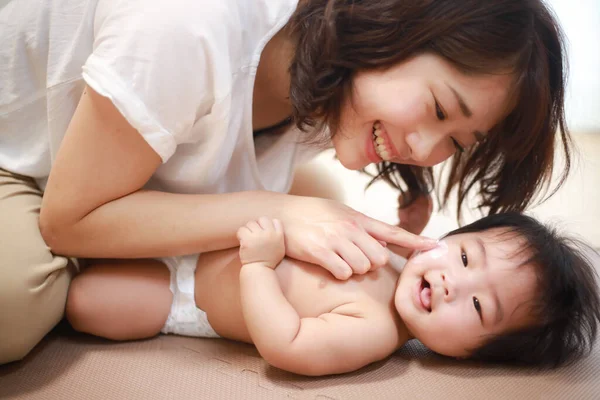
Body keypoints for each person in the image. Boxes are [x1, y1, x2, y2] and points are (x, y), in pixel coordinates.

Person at [0, 0, 571, 363]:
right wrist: (282, 211)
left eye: (455, 141)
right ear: (390, 20)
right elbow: (66, 219)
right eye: (440, 109)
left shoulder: (334, 71)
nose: (424, 150)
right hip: (26, 156)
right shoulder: (186, 22)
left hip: (126, 153)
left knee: (328, 209)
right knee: (14, 300)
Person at [65, 213, 600, 376]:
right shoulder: (393, 252)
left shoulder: (374, 330)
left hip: (185, 292)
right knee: (109, 224)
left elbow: (288, 344)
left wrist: (258, 267)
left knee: (85, 300)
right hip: (202, 226)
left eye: (480, 307)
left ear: (469, 353)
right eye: (464, 256)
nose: (451, 282)